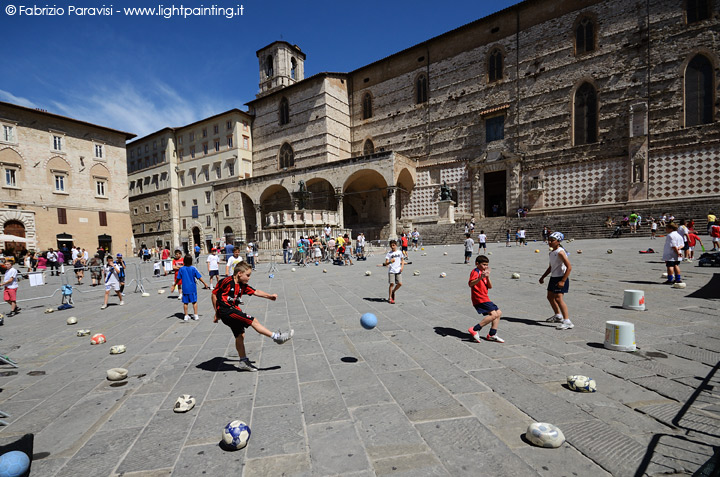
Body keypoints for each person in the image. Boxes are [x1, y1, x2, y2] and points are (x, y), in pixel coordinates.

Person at [212, 261, 293, 372]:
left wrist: (269, 296)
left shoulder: (242, 285)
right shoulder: (226, 281)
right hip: (227, 311)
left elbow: (256, 291)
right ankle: (276, 337)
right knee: (253, 320)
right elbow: (214, 294)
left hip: (232, 311)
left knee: (240, 335)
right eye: (248, 275)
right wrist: (217, 312)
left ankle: (243, 361)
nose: (249, 278)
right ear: (239, 273)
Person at [539, 232, 574, 330]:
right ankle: (558, 315)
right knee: (550, 297)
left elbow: (569, 267)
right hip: (553, 277)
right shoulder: (551, 252)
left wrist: (563, 280)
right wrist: (543, 277)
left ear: (558, 241)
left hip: (561, 277)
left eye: (552, 240)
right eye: (549, 240)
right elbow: (551, 267)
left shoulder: (560, 252)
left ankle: (567, 321)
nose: (549, 242)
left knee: (558, 298)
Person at [467, 255, 504, 343]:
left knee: (498, 313)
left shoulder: (483, 273)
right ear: (477, 264)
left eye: (487, 265)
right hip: (479, 298)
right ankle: (475, 329)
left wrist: (487, 277)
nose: (486, 267)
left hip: (485, 297)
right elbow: (471, 284)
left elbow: (490, 287)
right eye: (484, 264)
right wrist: (480, 278)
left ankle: (492, 334)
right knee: (494, 314)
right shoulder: (475, 271)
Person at [174, 255, 209, 321]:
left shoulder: (181, 269)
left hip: (185, 288)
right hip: (192, 288)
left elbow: (178, 278)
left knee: (185, 302)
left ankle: (186, 315)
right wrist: (204, 283)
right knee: (194, 302)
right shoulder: (193, 269)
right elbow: (199, 277)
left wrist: (174, 285)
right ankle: (196, 315)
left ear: (184, 261)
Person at [382, 239, 404, 304]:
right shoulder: (389, 254)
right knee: (392, 284)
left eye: (393, 245)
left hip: (398, 270)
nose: (392, 247)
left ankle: (393, 291)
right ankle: (390, 298)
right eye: (391, 245)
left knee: (400, 283)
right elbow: (386, 263)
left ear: (396, 245)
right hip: (391, 270)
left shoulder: (399, 252)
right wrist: (390, 262)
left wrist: (402, 267)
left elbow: (402, 260)